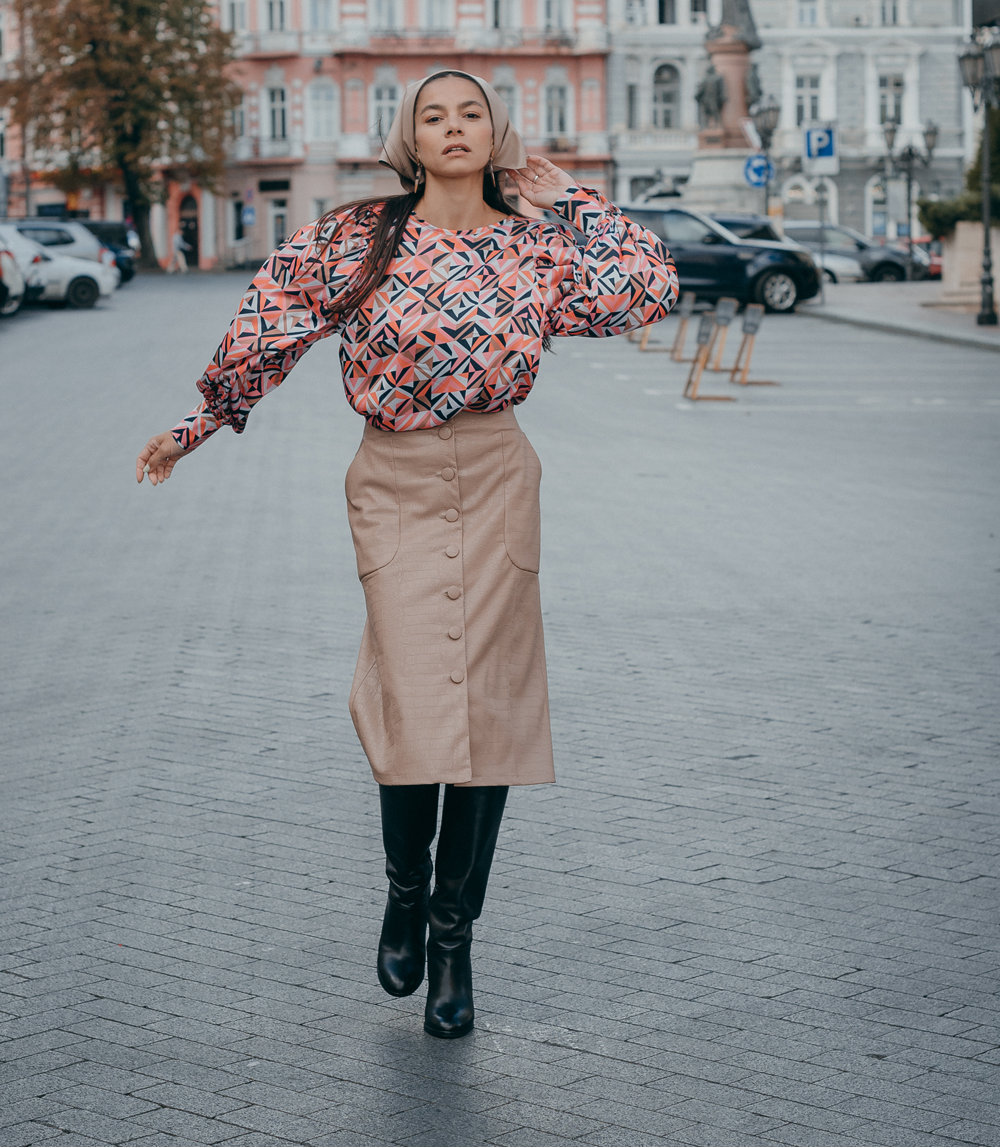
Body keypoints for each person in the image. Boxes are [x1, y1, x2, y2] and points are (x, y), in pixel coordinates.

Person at [135, 71, 678, 1040]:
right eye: (434, 115)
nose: (454, 127)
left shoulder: (537, 241)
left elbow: (647, 291)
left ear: (497, 131)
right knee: (413, 687)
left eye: (471, 112)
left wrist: (581, 207)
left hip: (498, 468)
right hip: (392, 476)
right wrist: (200, 422)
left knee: (492, 703)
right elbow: (271, 325)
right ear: (408, 138)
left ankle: (452, 935)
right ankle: (403, 886)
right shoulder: (360, 235)